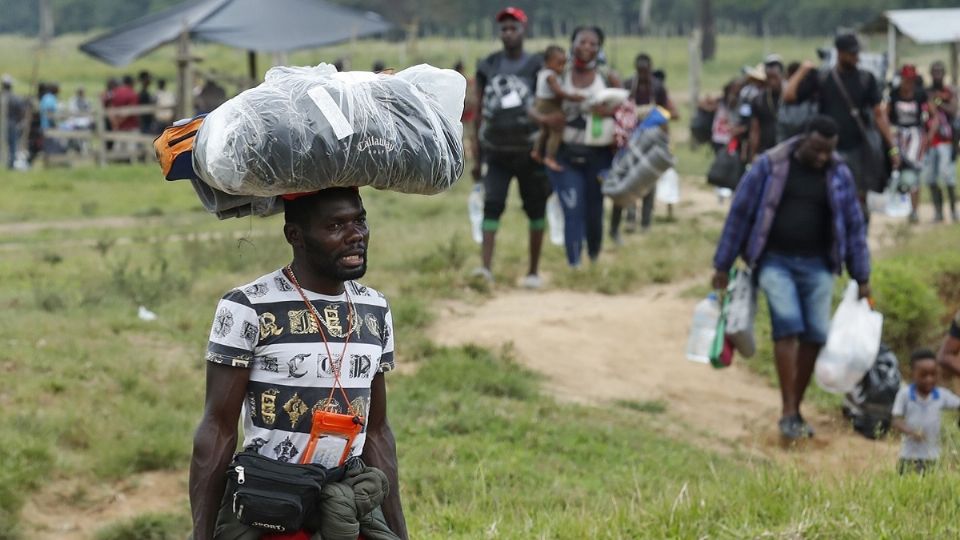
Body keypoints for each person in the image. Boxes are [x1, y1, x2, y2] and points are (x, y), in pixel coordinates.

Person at [189, 188, 407, 540]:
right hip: (272, 507)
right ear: (296, 236)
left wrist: (399, 532)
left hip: (348, 506)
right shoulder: (249, 306)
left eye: (360, 220)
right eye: (335, 225)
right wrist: (202, 533)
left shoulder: (374, 308)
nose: (356, 236)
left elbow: (378, 430)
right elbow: (217, 429)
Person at [712, 115, 871, 440]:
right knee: (787, 325)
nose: (822, 157)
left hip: (819, 265)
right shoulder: (770, 166)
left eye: (828, 151)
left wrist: (862, 275)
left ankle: (795, 407)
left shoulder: (839, 173)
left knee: (815, 334)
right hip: (774, 261)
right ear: (803, 140)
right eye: (817, 150)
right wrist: (722, 263)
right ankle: (787, 411)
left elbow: (854, 227)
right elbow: (740, 213)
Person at [784, 33, 899, 223]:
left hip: (857, 149)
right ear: (840, 53)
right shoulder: (821, 77)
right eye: (851, 53)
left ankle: (857, 235)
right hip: (826, 150)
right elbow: (789, 96)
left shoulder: (866, 79)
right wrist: (802, 70)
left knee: (858, 197)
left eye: (857, 53)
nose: (856, 57)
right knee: (826, 195)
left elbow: (880, 115)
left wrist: (892, 147)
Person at [472, 6, 548, 287]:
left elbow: (548, 104)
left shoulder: (537, 66)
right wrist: (477, 158)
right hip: (497, 153)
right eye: (503, 29)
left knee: (536, 208)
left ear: (523, 30)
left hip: (530, 153)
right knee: (492, 206)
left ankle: (533, 272)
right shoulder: (488, 65)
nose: (508, 33)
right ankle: (486, 269)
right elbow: (478, 111)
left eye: (513, 28)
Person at [539, 26, 620, 268]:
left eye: (593, 44)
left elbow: (626, 112)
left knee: (594, 210)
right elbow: (538, 105)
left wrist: (608, 113)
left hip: (599, 156)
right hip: (565, 154)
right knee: (572, 208)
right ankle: (573, 263)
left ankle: (593, 257)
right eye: (582, 42)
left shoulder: (608, 78)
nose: (587, 47)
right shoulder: (558, 75)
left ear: (599, 48)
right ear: (571, 44)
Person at [610, 53, 678, 240]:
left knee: (649, 179)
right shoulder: (627, 85)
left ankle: (646, 221)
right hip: (631, 139)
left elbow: (670, 112)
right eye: (640, 72)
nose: (643, 75)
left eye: (646, 72)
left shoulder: (657, 87)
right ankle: (630, 218)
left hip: (653, 141)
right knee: (630, 177)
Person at [892, 349, 960, 475]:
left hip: (933, 457)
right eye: (923, 375)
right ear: (913, 373)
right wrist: (911, 432)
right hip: (909, 456)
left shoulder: (941, 395)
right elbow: (896, 421)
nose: (929, 379)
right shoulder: (905, 394)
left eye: (933, 374)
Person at [531, 45, 585, 172]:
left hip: (540, 103)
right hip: (549, 105)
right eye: (559, 64)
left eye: (564, 64)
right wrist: (573, 97)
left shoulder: (543, 72)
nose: (562, 67)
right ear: (547, 62)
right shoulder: (551, 76)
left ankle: (536, 151)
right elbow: (559, 92)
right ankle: (550, 156)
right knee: (556, 130)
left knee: (544, 131)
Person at [888, 64, 928, 223]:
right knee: (896, 168)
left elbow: (932, 114)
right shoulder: (894, 94)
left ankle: (914, 210)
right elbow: (886, 115)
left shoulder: (919, 94)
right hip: (897, 137)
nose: (909, 82)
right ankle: (896, 205)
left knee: (914, 174)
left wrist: (928, 136)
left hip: (916, 139)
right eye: (907, 79)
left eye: (912, 79)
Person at [924, 60, 958, 222]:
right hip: (930, 142)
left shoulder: (949, 91)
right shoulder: (926, 92)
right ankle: (938, 212)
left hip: (946, 141)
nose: (937, 75)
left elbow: (954, 110)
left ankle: (953, 210)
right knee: (930, 178)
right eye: (934, 71)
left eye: (940, 71)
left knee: (948, 178)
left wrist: (938, 102)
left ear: (944, 74)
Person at [747, 56, 784, 163]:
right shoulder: (758, 100)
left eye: (775, 77)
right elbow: (755, 129)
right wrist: (753, 154)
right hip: (765, 151)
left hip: (786, 150)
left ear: (782, 75)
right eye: (769, 78)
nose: (772, 82)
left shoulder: (790, 97)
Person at [2, 74, 26, 169]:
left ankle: (7, 163)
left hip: (5, 123)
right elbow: (21, 111)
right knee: (12, 144)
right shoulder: (16, 98)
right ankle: (10, 163)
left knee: (8, 143)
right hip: (12, 123)